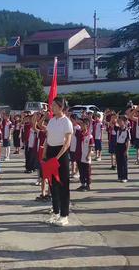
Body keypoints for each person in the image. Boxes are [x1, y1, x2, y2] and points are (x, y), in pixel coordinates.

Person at [44, 97, 73, 227]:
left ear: (61, 107)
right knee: (52, 185)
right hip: (50, 152)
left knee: (63, 185)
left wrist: (57, 157)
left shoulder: (66, 122)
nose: (52, 107)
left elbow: (67, 143)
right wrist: (45, 154)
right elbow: (47, 139)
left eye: (54, 105)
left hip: (61, 154)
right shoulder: (51, 121)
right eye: (52, 105)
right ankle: (55, 212)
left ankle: (64, 215)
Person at [77, 118, 94, 191]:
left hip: (86, 156)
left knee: (87, 171)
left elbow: (91, 147)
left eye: (83, 125)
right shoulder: (79, 134)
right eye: (81, 124)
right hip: (79, 155)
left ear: (87, 126)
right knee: (81, 171)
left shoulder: (89, 136)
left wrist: (88, 155)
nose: (81, 126)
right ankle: (82, 184)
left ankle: (88, 185)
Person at [115, 116, 130, 183]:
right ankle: (120, 176)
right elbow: (112, 123)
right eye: (119, 121)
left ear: (124, 122)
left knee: (124, 163)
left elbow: (128, 141)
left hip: (123, 146)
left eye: (121, 121)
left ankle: (125, 177)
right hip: (118, 146)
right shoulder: (118, 129)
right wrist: (116, 117)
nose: (119, 122)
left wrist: (127, 150)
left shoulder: (127, 131)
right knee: (119, 162)